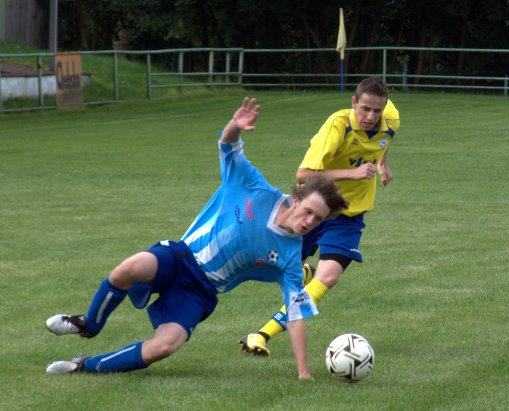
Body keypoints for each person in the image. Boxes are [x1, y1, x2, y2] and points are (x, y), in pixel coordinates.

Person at [45, 97, 348, 380]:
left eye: (318, 219)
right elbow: (229, 145)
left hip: (201, 291)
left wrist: (303, 372)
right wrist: (234, 124)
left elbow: (294, 316)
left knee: (165, 345)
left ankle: (83, 365)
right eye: (308, 211)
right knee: (128, 269)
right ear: (296, 199)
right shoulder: (256, 188)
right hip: (180, 258)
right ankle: (88, 325)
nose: (310, 222)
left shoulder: (291, 258)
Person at [239, 77, 400, 356]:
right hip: (313, 208)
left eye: (377, 111)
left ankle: (262, 334)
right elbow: (303, 174)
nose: (371, 117)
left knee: (327, 279)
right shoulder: (337, 126)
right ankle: (301, 269)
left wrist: (382, 164)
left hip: (349, 213)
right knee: (270, 265)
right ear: (353, 103)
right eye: (365, 109)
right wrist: (354, 173)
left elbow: (383, 141)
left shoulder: (390, 118)